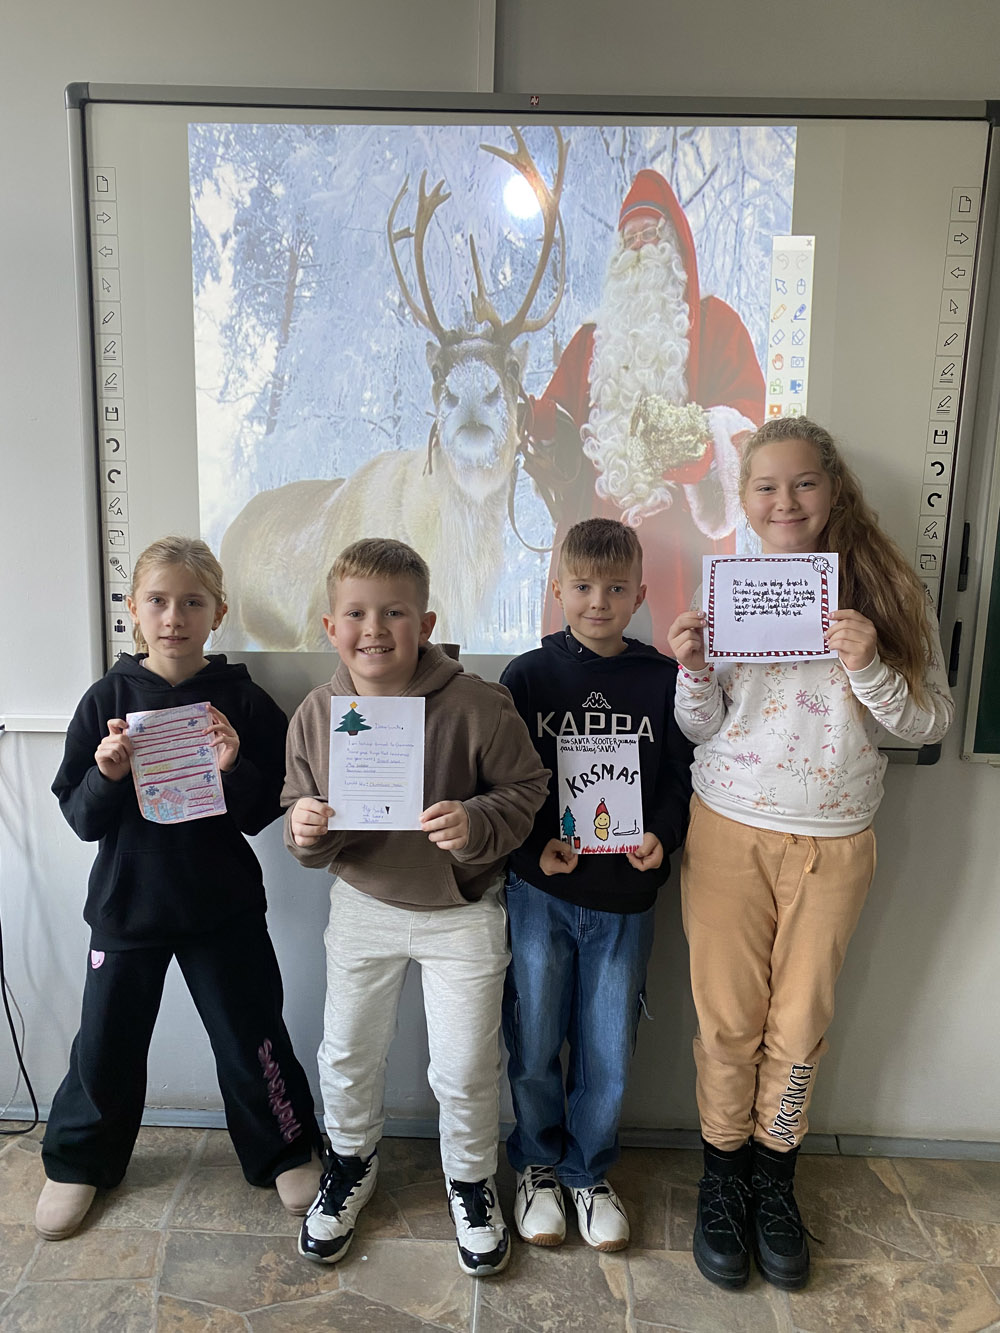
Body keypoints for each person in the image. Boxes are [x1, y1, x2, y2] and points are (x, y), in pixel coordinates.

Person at [667, 417, 954, 1291]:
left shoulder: (888, 588)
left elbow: (931, 721)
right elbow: (702, 727)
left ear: (833, 489)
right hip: (727, 827)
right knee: (726, 1020)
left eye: (802, 483)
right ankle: (723, 1179)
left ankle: (774, 1177)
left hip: (835, 840)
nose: (784, 501)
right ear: (745, 498)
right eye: (765, 486)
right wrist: (692, 669)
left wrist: (868, 665)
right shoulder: (728, 585)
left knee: (799, 1024)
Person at [36, 537, 322, 1242]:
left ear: (217, 612)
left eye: (192, 602)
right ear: (133, 609)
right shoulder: (106, 698)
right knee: (105, 1042)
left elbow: (267, 808)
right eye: (158, 601)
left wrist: (232, 765)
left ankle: (285, 1148)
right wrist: (106, 773)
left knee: (253, 1035)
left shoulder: (243, 700)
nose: (174, 616)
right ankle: (78, 1162)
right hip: (127, 905)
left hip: (221, 905)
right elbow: (79, 818)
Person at [282, 537, 549, 1277]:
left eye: (394, 612)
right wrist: (303, 826)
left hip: (462, 909)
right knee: (347, 1051)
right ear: (331, 627)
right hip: (363, 902)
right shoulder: (317, 712)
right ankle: (349, 1161)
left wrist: (476, 822)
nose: (374, 629)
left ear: (425, 623)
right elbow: (297, 810)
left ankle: (470, 1178)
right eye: (356, 614)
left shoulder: (478, 703)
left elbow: (527, 789)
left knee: (464, 1064)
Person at [499, 518, 693, 1252]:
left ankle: (587, 1170)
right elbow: (502, 783)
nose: (598, 602)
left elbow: (680, 776)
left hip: (625, 897)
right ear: (557, 589)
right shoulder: (526, 677)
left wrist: (662, 835)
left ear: (640, 595)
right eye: (582, 586)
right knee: (534, 1037)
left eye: (615, 589)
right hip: (540, 893)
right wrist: (529, 848)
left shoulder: (661, 678)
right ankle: (537, 1164)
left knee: (607, 1050)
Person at [521, 168, 765, 646]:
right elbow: (558, 423)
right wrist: (537, 423)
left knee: (681, 659)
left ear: (673, 244)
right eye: (628, 239)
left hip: (683, 538)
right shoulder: (591, 340)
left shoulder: (716, 323)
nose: (637, 248)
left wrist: (701, 444)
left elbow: (749, 419)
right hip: (595, 539)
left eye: (648, 235)